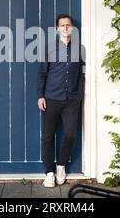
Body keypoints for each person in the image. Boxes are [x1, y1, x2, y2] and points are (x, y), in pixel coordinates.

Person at [37, 13, 85, 188]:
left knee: (70, 134)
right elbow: (42, 74)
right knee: (48, 136)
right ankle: (49, 172)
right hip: (51, 99)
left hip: (72, 100)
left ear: (72, 28)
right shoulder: (49, 48)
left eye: (68, 25)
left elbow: (81, 74)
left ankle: (61, 166)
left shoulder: (79, 49)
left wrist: (78, 94)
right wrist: (40, 95)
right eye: (62, 25)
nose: (65, 28)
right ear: (57, 28)